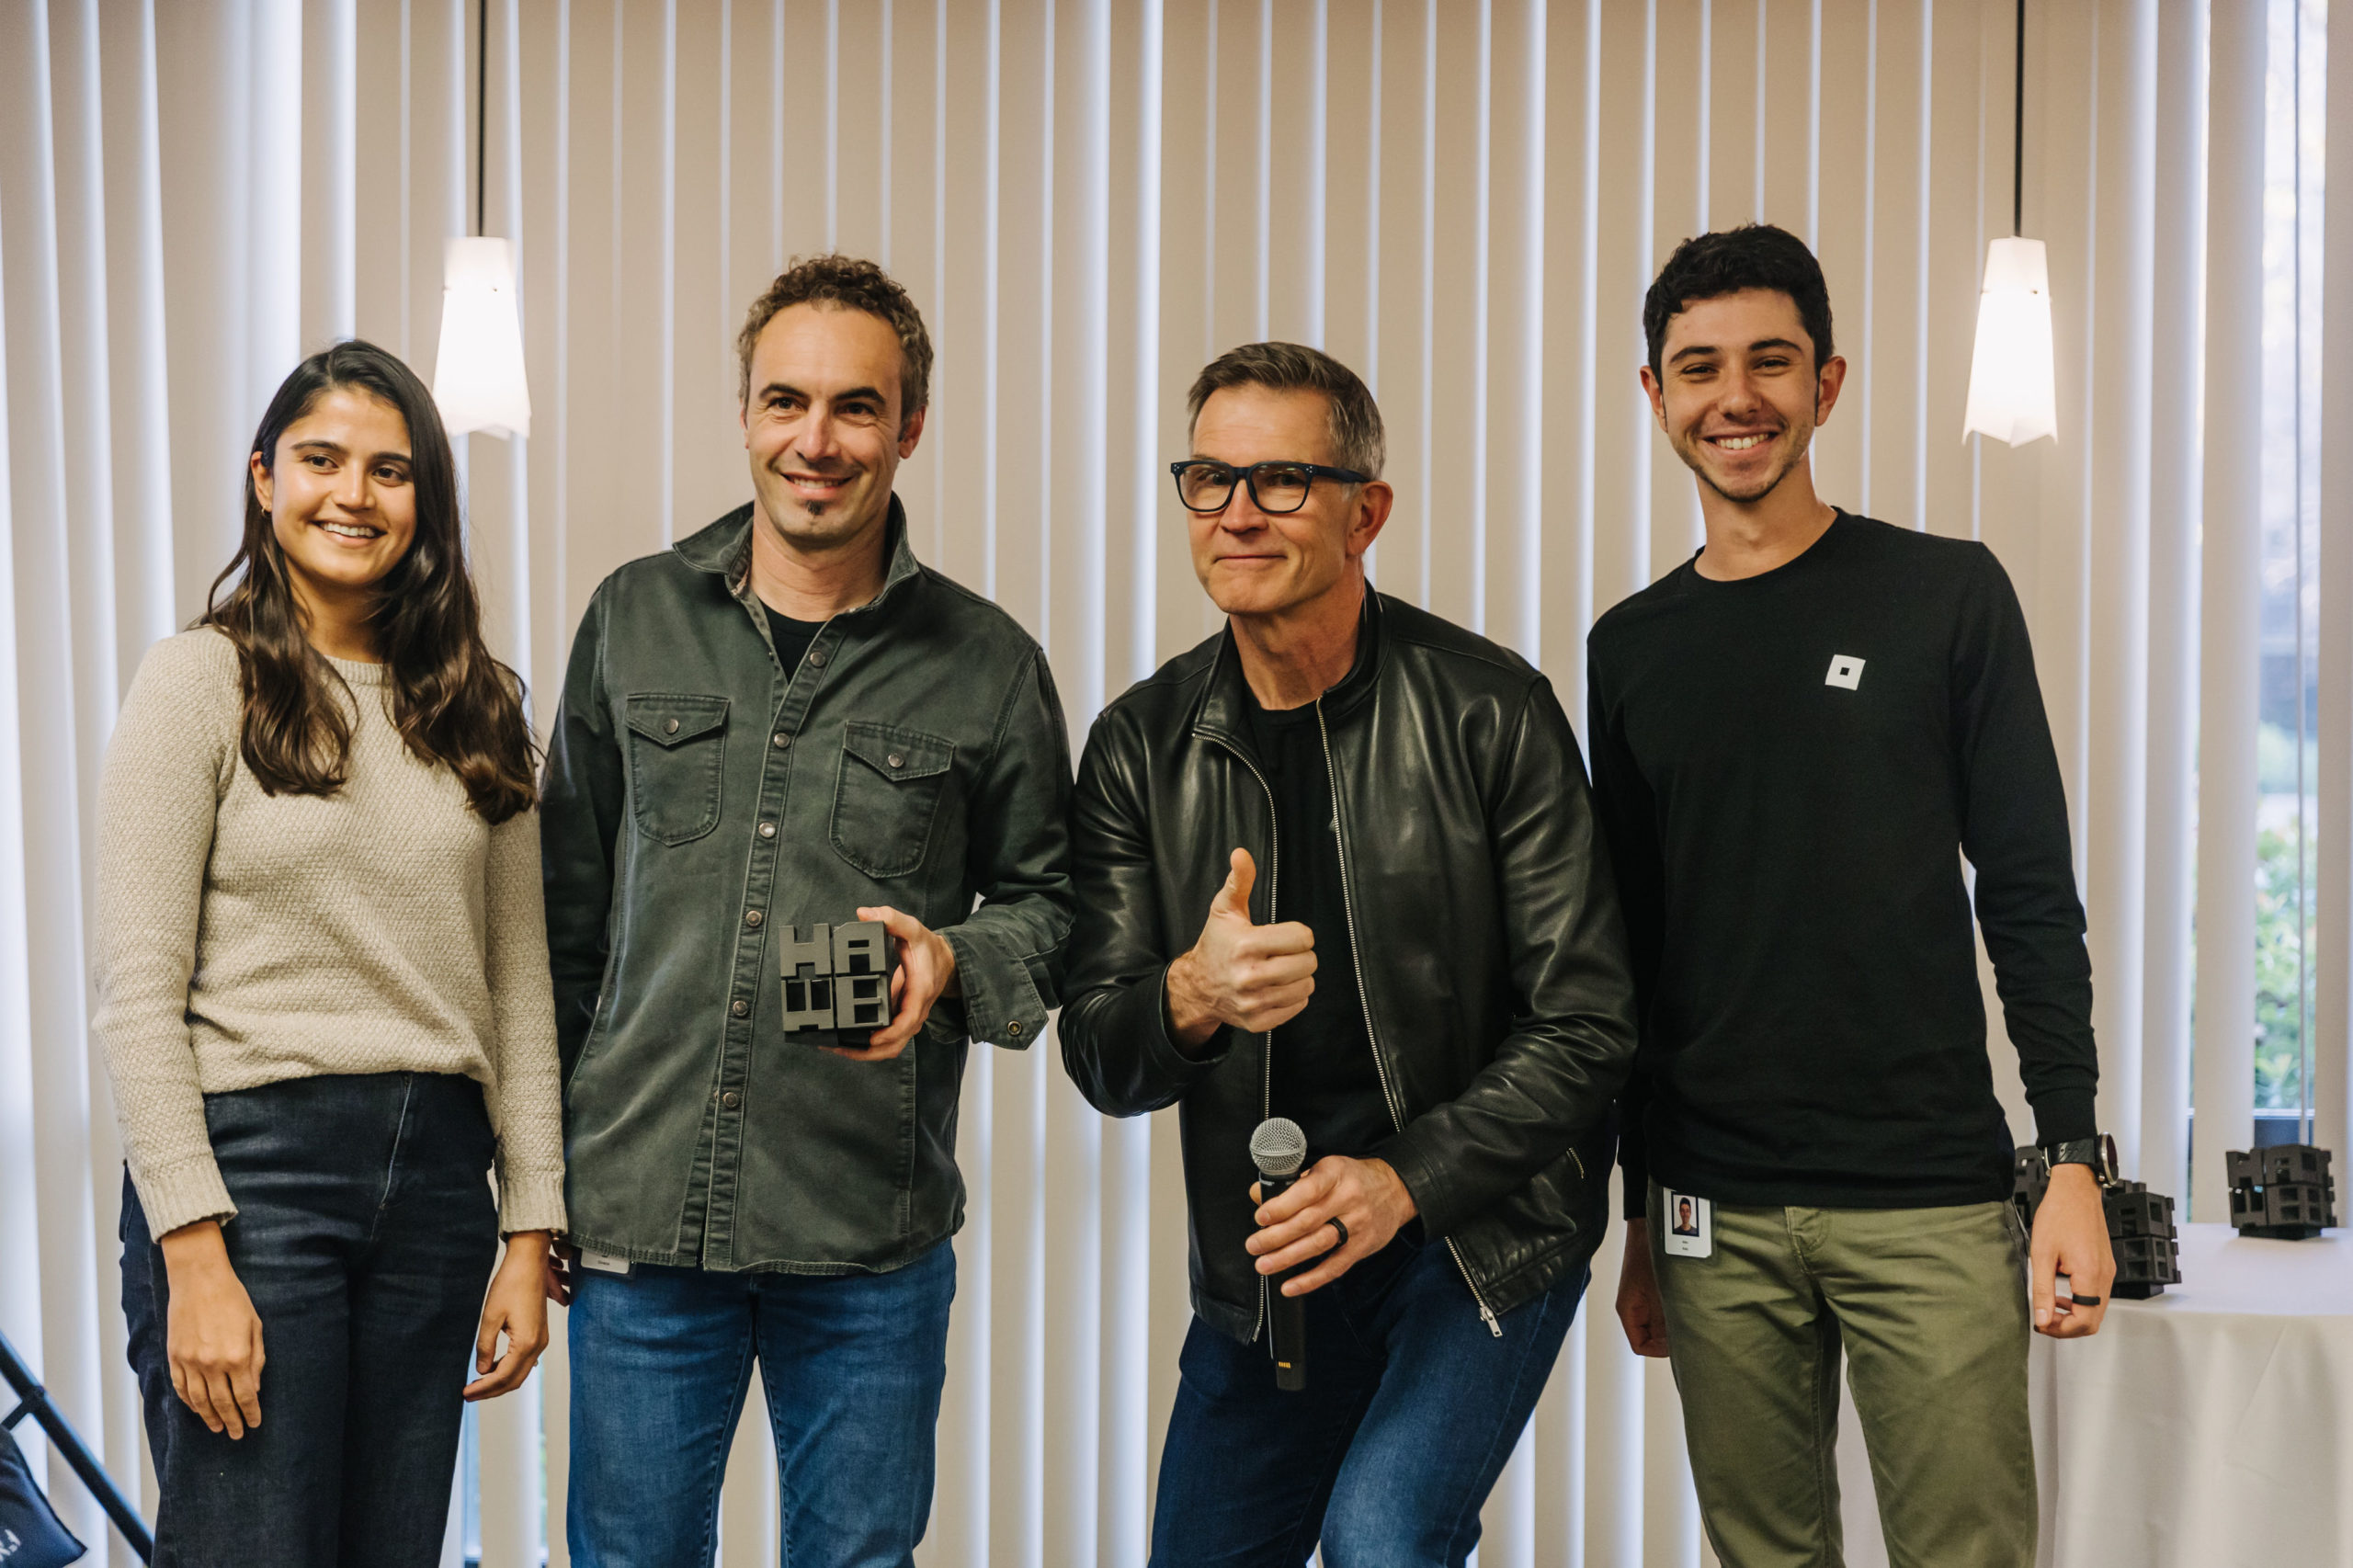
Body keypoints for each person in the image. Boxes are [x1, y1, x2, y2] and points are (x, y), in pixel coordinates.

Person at [1062, 342, 1640, 1566]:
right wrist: (1190, 993)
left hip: (1474, 1230)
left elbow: (1585, 1022)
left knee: (1381, 1535)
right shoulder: (1138, 745)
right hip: (1269, 1262)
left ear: (1366, 510)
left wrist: (1403, 1180)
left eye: (1279, 481)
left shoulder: (1490, 710)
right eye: (1208, 479)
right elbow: (1102, 1052)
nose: (1235, 513)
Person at [1591, 223, 2114, 1568]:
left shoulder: (1945, 595)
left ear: (1827, 383)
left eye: (1770, 360)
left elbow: (2033, 893)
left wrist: (2070, 1159)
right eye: (1698, 368)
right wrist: (1641, 1212)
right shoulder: (1631, 648)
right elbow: (1636, 949)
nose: (1735, 397)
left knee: (1970, 1552)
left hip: (1926, 1197)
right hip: (1714, 1209)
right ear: (1655, 396)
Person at [540, 254, 1074, 1568]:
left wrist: (953, 958)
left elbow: (1059, 905)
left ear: (910, 426)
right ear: (744, 414)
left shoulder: (990, 663)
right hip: (643, 1225)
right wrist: (534, 1186)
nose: (817, 440)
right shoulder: (632, 618)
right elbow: (557, 921)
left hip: (868, 1238)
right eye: (787, 400)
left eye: (855, 407)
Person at [96, 340, 564, 1567]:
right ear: (263, 478)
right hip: (254, 1186)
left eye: (391, 469)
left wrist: (531, 1227)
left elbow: (520, 988)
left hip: (438, 1193)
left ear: (428, 504)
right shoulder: (199, 681)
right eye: (321, 459)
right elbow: (135, 992)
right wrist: (189, 1248)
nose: (354, 493)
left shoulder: (477, 705)